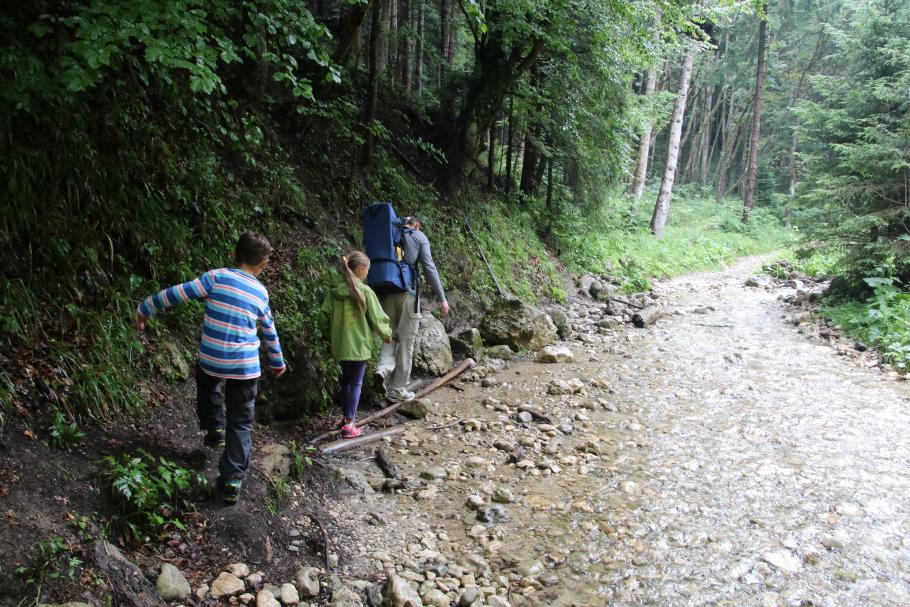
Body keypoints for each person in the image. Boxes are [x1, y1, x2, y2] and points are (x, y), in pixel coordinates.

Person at [134, 232, 286, 504]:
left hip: (213, 359)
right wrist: (277, 363)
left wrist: (146, 307)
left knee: (206, 381)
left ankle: (214, 429)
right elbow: (269, 333)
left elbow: (177, 293)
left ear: (233, 255)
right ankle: (231, 482)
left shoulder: (215, 277)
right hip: (244, 367)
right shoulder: (261, 292)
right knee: (240, 423)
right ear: (264, 263)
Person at [374, 215, 449, 402]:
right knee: (406, 344)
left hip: (387, 293)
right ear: (416, 224)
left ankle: (382, 370)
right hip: (408, 295)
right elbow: (429, 267)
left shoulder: (390, 234)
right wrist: (441, 298)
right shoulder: (418, 236)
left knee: (389, 338)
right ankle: (397, 391)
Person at [319, 252, 392, 438]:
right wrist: (387, 334)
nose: (368, 273)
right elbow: (377, 318)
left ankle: (346, 418)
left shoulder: (334, 292)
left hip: (341, 345)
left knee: (347, 381)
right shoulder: (365, 291)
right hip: (359, 346)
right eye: (367, 270)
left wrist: (331, 336)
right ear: (360, 269)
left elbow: (323, 318)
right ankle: (350, 424)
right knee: (356, 383)